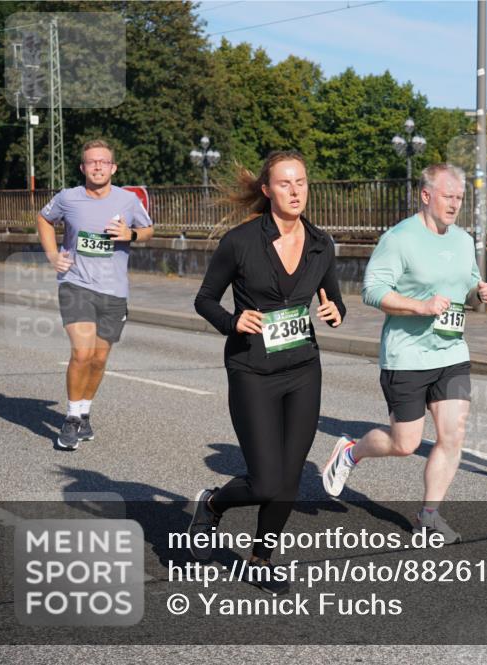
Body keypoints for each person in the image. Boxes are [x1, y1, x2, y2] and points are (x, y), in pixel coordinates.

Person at [190, 150, 346, 593]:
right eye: (285, 184)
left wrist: (335, 311)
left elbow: (332, 300)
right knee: (266, 479)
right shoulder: (240, 242)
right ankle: (214, 504)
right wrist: (232, 321)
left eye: (301, 182)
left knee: (291, 477)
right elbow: (204, 299)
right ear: (267, 190)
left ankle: (261, 557)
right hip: (252, 368)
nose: (295, 191)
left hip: (302, 369)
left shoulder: (321, 243)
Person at [321, 163, 487, 543]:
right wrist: (420, 306)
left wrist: (481, 288)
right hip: (408, 356)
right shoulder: (399, 238)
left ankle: (428, 517)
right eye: (448, 196)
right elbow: (372, 290)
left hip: (451, 352)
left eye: (460, 198)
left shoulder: (463, 240)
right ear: (426, 195)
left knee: (452, 437)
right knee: (406, 443)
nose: (454, 204)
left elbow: (465, 277)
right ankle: (351, 452)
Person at [37, 139, 154, 451]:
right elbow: (44, 219)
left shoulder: (128, 200)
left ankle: (85, 412)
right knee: (82, 353)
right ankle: (72, 417)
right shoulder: (68, 198)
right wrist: (52, 254)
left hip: (114, 290)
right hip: (75, 284)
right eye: (92, 162)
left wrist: (131, 234)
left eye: (104, 162)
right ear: (83, 168)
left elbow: (149, 229)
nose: (98, 166)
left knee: (99, 358)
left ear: (113, 167)